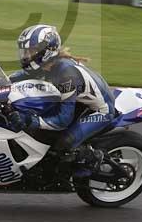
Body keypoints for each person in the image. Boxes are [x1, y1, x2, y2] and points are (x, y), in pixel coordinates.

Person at [7, 24, 116, 168]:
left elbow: (63, 120)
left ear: (46, 51)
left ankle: (91, 161)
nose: (26, 55)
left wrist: (29, 120)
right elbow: (18, 77)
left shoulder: (66, 76)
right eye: (24, 51)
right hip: (78, 100)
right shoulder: (45, 64)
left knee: (64, 143)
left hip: (101, 110)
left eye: (31, 51)